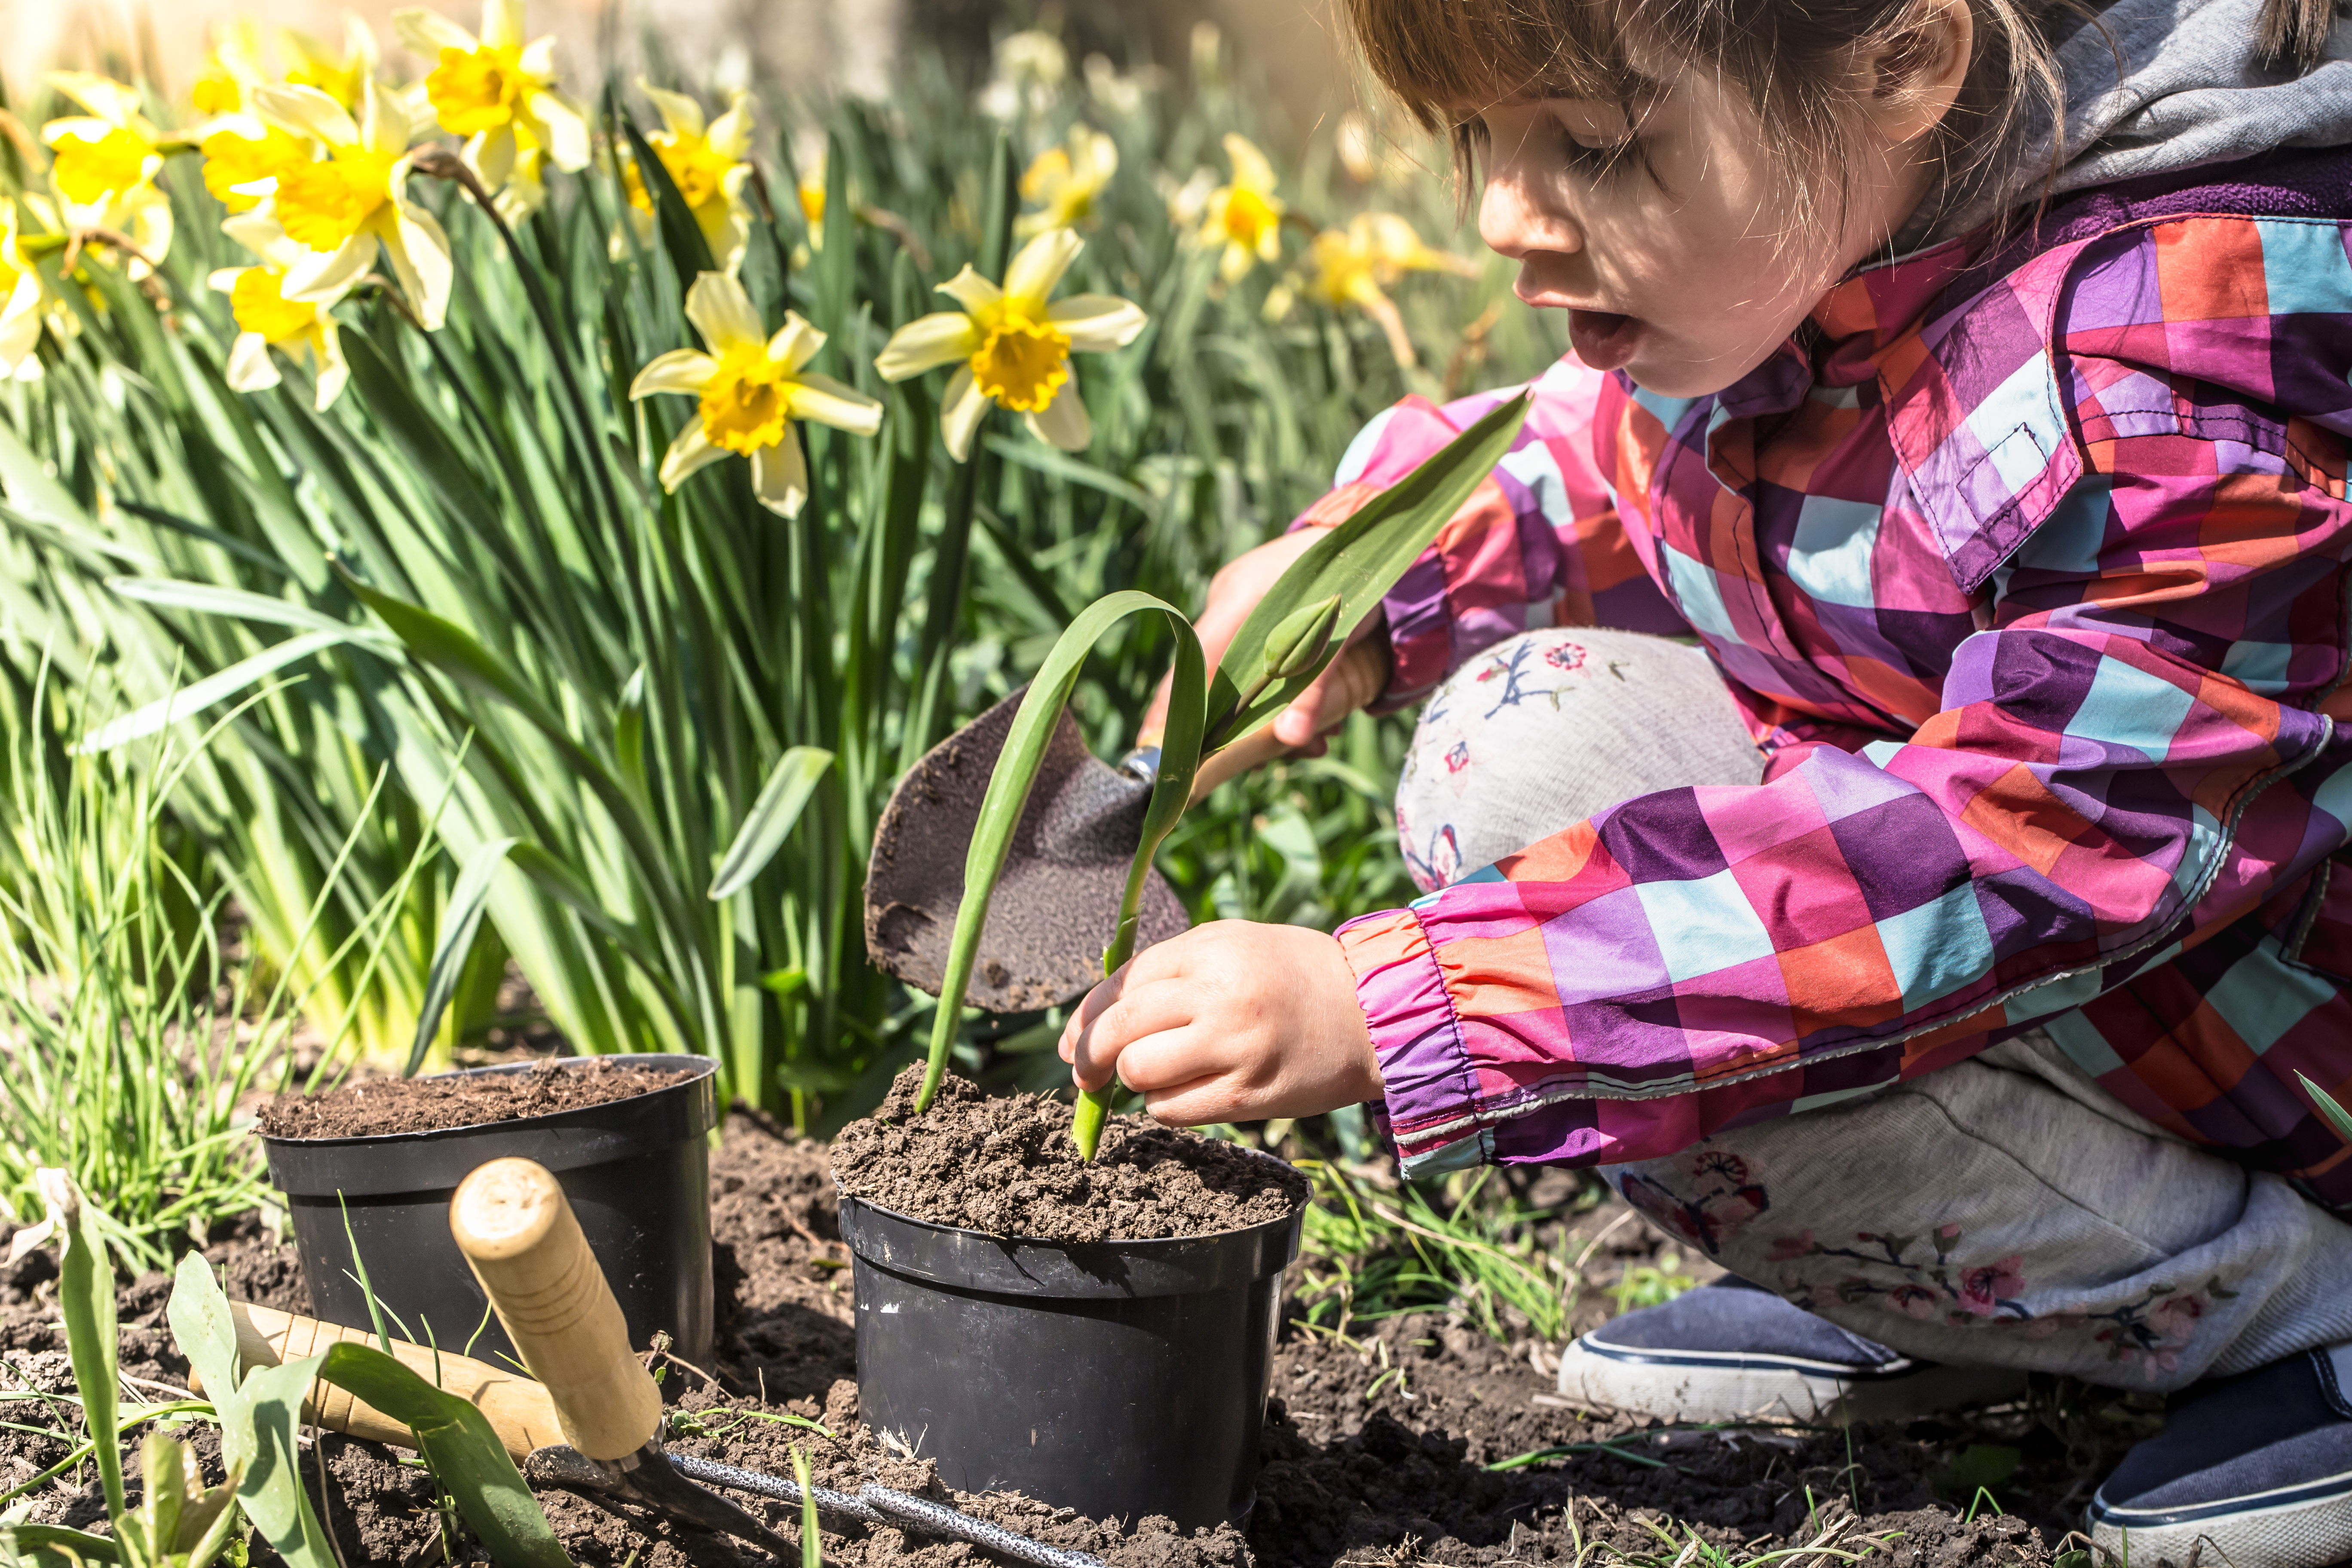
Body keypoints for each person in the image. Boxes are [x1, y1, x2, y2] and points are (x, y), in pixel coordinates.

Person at [1056, 0, 2352, 1558]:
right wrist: (1363, 589)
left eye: (1597, 146)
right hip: (2121, 1018)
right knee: (1520, 753)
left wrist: (1413, 1007)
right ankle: (1972, 1291)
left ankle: (2301, 1306)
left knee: (1570, 860)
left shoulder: (2178, 353)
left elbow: (2029, 850)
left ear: (1904, 65)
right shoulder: (1845, 225)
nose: (1498, 216)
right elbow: (1608, 446)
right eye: (1483, 142)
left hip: (2282, 1060)